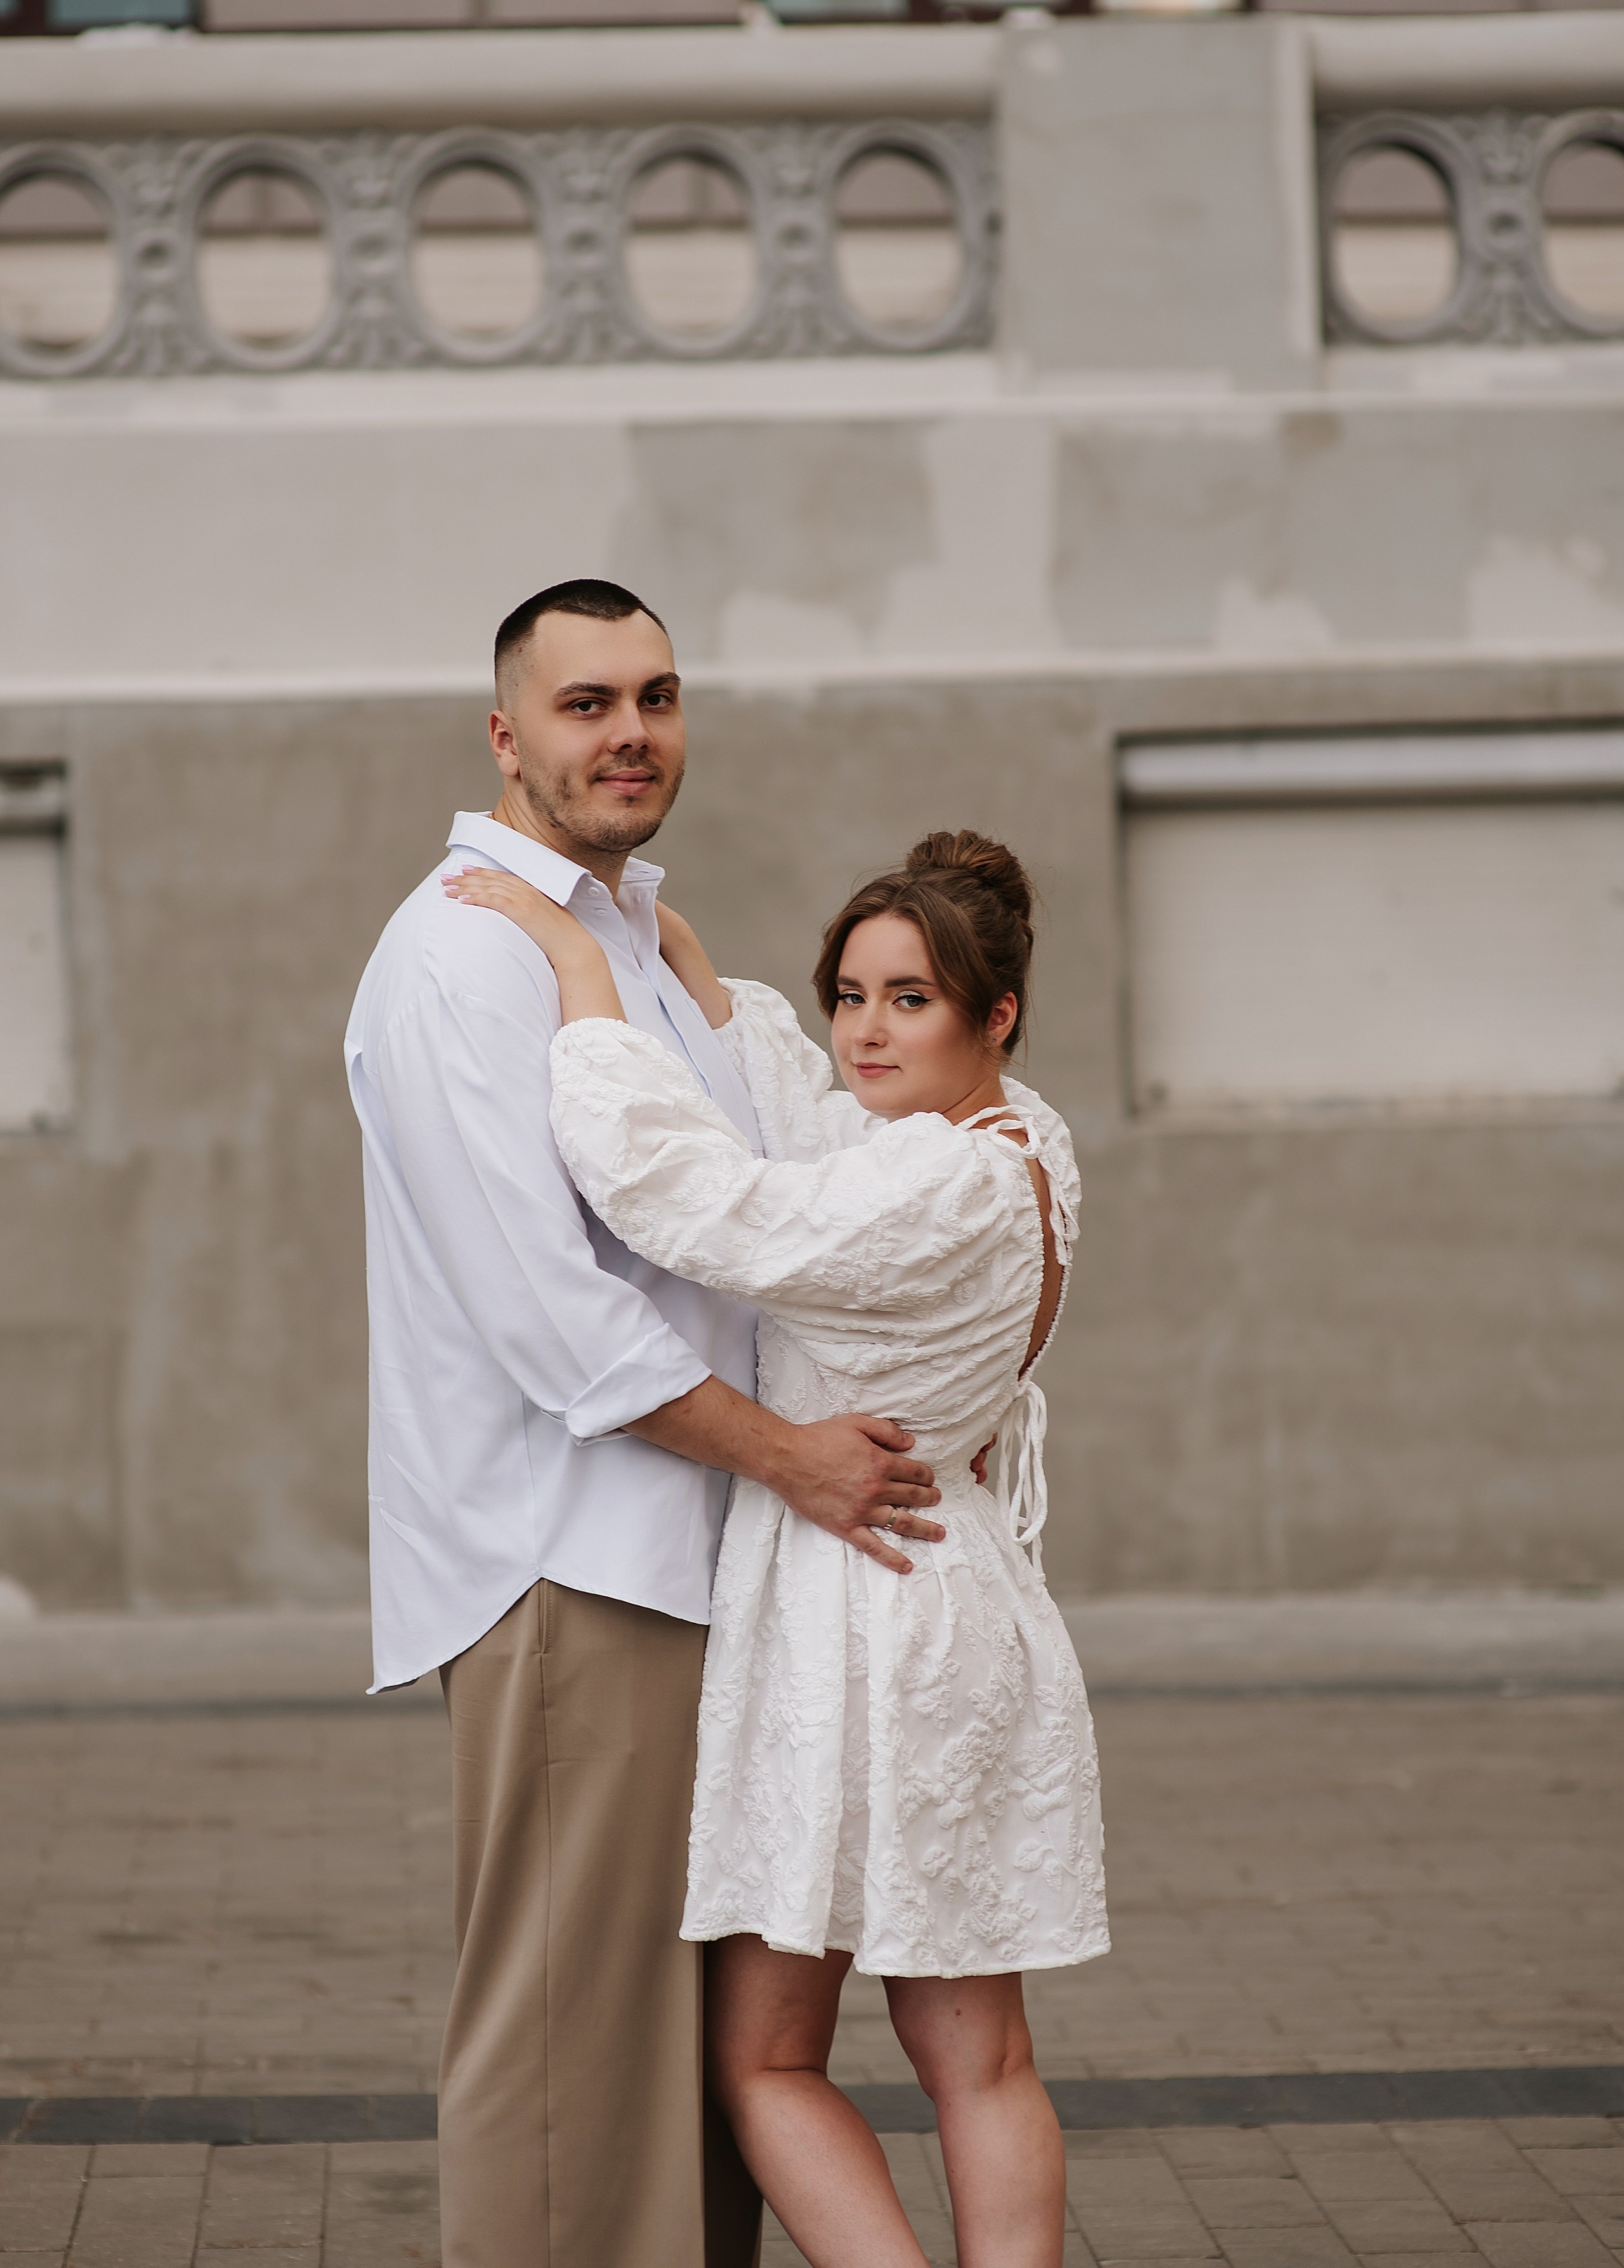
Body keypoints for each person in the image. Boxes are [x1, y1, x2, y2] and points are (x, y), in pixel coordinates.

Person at [343, 579, 946, 2268]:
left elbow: (733, 1221)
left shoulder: (632, 938)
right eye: (588, 702)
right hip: (573, 1569)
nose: (630, 734)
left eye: (658, 698)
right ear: (506, 735)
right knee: (567, 2075)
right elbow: (549, 1314)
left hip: (697, 1560)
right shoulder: (464, 949)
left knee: (683, 2086)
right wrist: (799, 1464)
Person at [444, 827, 1110, 2268]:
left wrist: (576, 964)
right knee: (977, 2061)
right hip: (956, 1595)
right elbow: (805, 1115)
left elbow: (706, 1200)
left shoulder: (930, 1186)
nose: (865, 1031)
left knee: (767, 2063)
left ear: (994, 1015)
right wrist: (666, 943)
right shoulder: (1017, 1142)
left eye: (909, 999)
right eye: (849, 994)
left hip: (856, 1610)